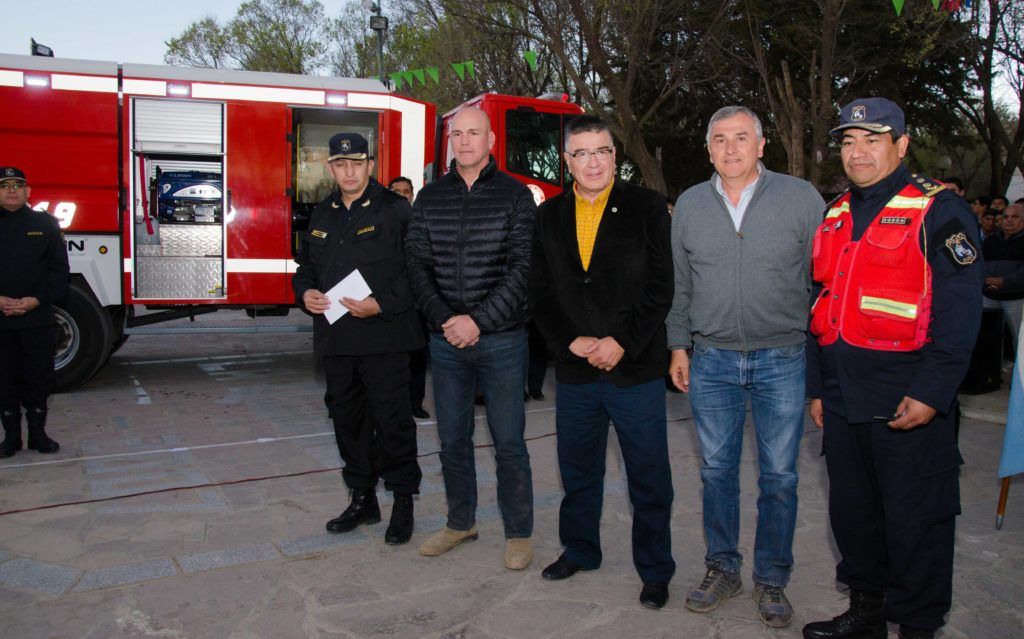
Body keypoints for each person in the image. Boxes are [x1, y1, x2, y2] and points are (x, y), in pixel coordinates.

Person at [803, 98, 982, 639]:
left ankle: (920, 626)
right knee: (855, 517)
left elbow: (960, 314)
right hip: (843, 399)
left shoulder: (940, 211)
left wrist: (932, 393)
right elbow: (819, 305)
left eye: (872, 140)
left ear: (901, 145)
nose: (858, 153)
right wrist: (817, 388)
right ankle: (867, 613)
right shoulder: (834, 214)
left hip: (908, 401)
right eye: (849, 141)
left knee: (916, 522)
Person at [666, 106, 824, 627]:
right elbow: (681, 284)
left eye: (741, 138)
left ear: (761, 145)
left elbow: (822, 281)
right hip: (711, 359)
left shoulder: (801, 199)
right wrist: (678, 345)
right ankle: (722, 567)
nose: (730, 148)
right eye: (719, 140)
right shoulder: (689, 204)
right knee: (717, 473)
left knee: (780, 476)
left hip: (783, 356)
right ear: (708, 148)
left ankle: (772, 578)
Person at [528, 115, 675, 609]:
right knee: (578, 471)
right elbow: (540, 291)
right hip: (575, 371)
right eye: (582, 153)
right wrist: (567, 340)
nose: (593, 162)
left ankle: (655, 570)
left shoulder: (648, 207)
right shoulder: (547, 216)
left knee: (649, 475)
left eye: (602, 151)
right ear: (566, 161)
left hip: (633, 368)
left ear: (616, 156)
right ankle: (580, 549)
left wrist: (622, 341)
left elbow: (661, 287)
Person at [405, 107, 536, 570]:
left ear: (491, 140)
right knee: (452, 439)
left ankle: (519, 532)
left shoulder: (516, 196)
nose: (463, 141)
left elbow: (523, 270)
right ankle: (461, 522)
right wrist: (447, 320)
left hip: (501, 339)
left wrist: (477, 321)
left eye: (473, 133)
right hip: (445, 341)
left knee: (509, 441)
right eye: (456, 134)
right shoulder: (429, 198)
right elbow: (417, 266)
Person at [293, 133, 424, 545]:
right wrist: (305, 293)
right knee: (348, 424)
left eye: (357, 163)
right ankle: (363, 499)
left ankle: (403, 502)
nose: (349, 171)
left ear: (370, 165)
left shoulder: (396, 210)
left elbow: (418, 274)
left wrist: (381, 304)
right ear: (330, 168)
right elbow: (306, 268)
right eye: (340, 164)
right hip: (337, 341)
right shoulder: (322, 213)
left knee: (392, 424)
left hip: (384, 337)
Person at [0, 167, 69, 458]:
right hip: (0, 320)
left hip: (36, 318)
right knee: (4, 380)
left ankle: (38, 435)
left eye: (18, 185)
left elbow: (59, 271)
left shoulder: (46, 224)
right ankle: (11, 438)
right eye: (5, 185)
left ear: (29, 191)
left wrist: (36, 300)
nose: (12, 190)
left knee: (39, 378)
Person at [388, 175, 430, 419]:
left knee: (418, 358)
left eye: (406, 191)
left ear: (412, 195)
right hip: (390, 304)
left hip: (417, 306)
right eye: (397, 191)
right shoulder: (380, 221)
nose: (402, 195)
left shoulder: (421, 221)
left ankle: (416, 403)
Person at [982, 203, 1024, 356]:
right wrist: (986, 280)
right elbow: (978, 264)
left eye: (1015, 216)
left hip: (1016, 299)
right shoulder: (990, 241)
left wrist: (1003, 282)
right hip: (988, 296)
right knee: (984, 337)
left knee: (1018, 339)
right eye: (1006, 217)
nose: (1009, 220)